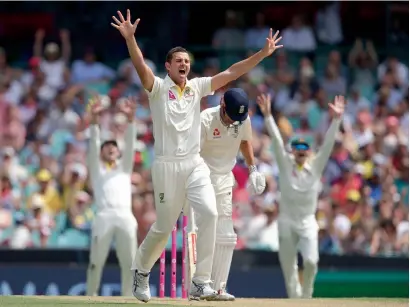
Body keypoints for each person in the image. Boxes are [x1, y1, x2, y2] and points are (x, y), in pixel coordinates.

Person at [111, 9, 283, 302]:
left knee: (211, 214)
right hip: (166, 167)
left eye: (187, 62)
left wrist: (262, 55)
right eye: (178, 61)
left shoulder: (197, 87)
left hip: (194, 164)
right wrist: (130, 39)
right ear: (167, 66)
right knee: (163, 228)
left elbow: (232, 72)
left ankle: (200, 282)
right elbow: (141, 67)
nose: (184, 65)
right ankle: (140, 270)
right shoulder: (158, 88)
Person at [256, 94, 345, 299]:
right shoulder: (285, 163)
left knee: (312, 261)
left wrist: (337, 120)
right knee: (289, 269)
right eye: (297, 147)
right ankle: (296, 301)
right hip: (286, 221)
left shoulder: (316, 166)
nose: (301, 151)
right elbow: (277, 143)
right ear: (293, 151)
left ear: (309, 151)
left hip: (307, 222)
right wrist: (268, 116)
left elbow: (328, 145)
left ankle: (307, 296)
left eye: (305, 148)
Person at [199, 88, 266, 300]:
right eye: (231, 116)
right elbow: (193, 153)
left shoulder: (241, 119)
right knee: (204, 231)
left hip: (223, 178)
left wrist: (253, 168)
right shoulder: (205, 119)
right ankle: (199, 284)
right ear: (222, 103)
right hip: (200, 177)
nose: (233, 122)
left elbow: (245, 141)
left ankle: (219, 288)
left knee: (227, 236)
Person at [85, 96, 138, 297]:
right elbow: (92, 147)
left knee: (130, 262)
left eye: (114, 146)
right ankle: (90, 296)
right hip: (104, 216)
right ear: (101, 152)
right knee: (95, 261)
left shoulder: (125, 169)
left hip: (125, 216)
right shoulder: (97, 171)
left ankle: (128, 297)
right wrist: (94, 123)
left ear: (118, 151)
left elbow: (131, 146)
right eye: (106, 146)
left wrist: (132, 121)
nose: (110, 148)